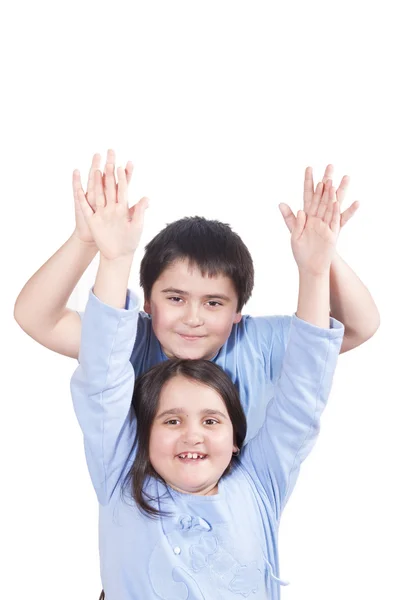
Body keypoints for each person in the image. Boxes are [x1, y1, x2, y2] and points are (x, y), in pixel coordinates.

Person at [70, 170, 344, 599]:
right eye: (172, 420)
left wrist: (315, 270)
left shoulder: (259, 483)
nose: (192, 434)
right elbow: (102, 378)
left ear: (237, 437)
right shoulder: (120, 476)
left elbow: (302, 398)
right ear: (143, 433)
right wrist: (114, 259)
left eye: (212, 421)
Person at [13, 151, 379, 441]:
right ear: (148, 300)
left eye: (214, 303)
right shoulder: (126, 340)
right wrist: (86, 241)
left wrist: (323, 257)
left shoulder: (258, 343)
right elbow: (36, 317)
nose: (193, 317)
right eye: (175, 299)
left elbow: (358, 327)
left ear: (238, 311)